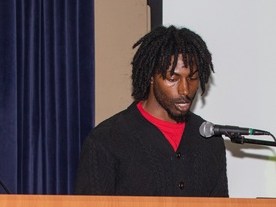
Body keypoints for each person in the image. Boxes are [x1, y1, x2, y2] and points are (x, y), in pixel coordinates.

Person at [73, 25, 228, 197]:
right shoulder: (106, 140)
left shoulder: (208, 140)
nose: (185, 90)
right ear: (151, 77)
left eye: (192, 78)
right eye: (172, 79)